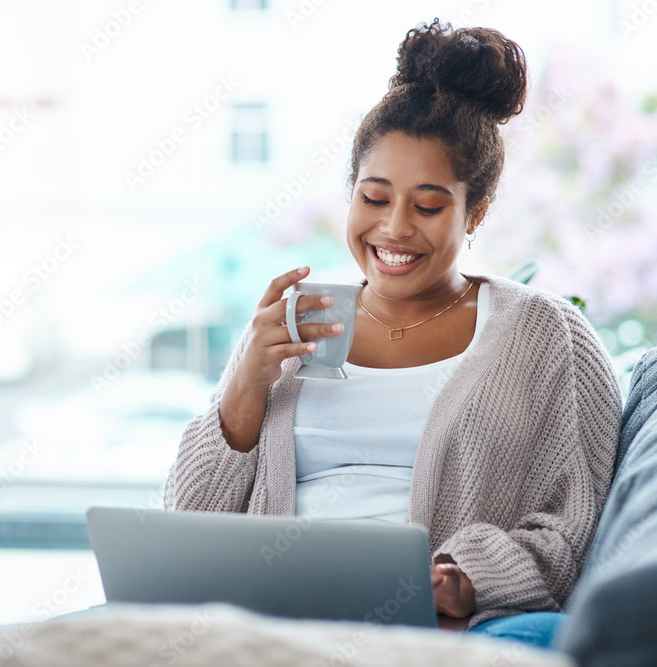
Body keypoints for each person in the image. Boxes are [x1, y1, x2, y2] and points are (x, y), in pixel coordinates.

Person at [163, 19, 622, 649]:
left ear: (476, 210)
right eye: (374, 197)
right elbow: (184, 530)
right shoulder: (294, 324)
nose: (395, 228)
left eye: (428, 206)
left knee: (549, 639)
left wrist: (467, 579)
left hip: (438, 627)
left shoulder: (544, 334)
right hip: (274, 617)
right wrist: (244, 386)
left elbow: (569, 521)